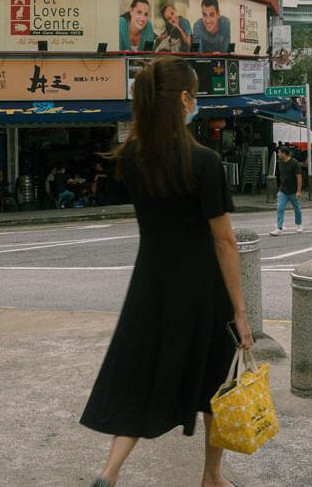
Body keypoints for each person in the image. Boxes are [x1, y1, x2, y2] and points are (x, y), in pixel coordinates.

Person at [80, 56, 253, 487]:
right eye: (195, 93)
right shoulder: (205, 162)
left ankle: (109, 471)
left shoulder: (133, 157)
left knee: (142, 376)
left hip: (150, 285)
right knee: (216, 385)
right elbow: (225, 241)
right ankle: (211, 477)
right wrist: (241, 312)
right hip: (202, 290)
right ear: (182, 99)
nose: (198, 101)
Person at [270, 145, 304, 235]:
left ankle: (299, 224)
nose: (278, 154)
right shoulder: (280, 162)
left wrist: (299, 191)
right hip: (283, 190)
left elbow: (299, 177)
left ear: (284, 153)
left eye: (279, 152)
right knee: (280, 208)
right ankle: (279, 228)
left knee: (297, 209)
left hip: (293, 191)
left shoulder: (294, 162)